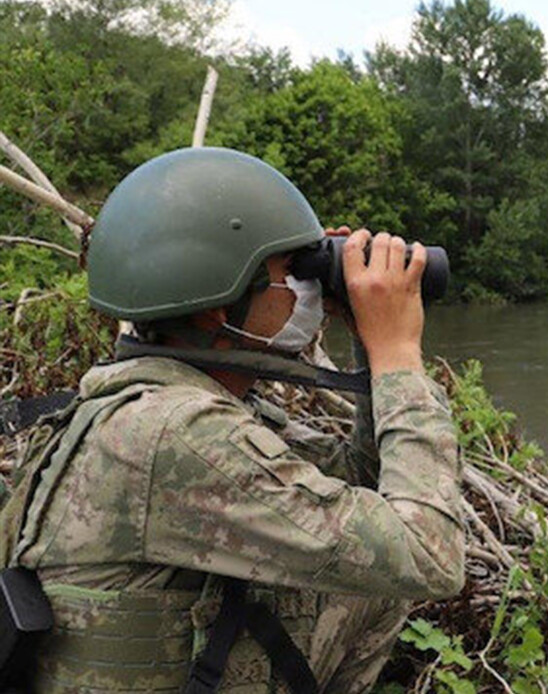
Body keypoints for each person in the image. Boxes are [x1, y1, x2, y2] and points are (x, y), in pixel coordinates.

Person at [3, 147, 465, 692]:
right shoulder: (177, 434)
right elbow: (429, 554)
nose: (305, 290)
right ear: (218, 304)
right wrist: (399, 356)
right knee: (382, 579)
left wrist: (368, 340)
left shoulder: (151, 401)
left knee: (365, 577)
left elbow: (361, 487)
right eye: (291, 273)